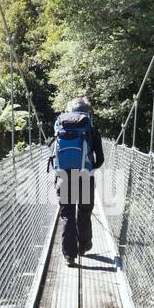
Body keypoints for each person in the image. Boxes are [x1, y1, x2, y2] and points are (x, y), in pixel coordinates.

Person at [47, 96, 104, 265]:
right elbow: (100, 159)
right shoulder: (91, 130)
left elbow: (52, 151)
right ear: (87, 112)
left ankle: (69, 255)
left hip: (63, 176)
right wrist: (89, 169)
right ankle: (84, 246)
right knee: (84, 212)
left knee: (67, 215)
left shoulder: (60, 127)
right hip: (85, 176)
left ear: (69, 111)